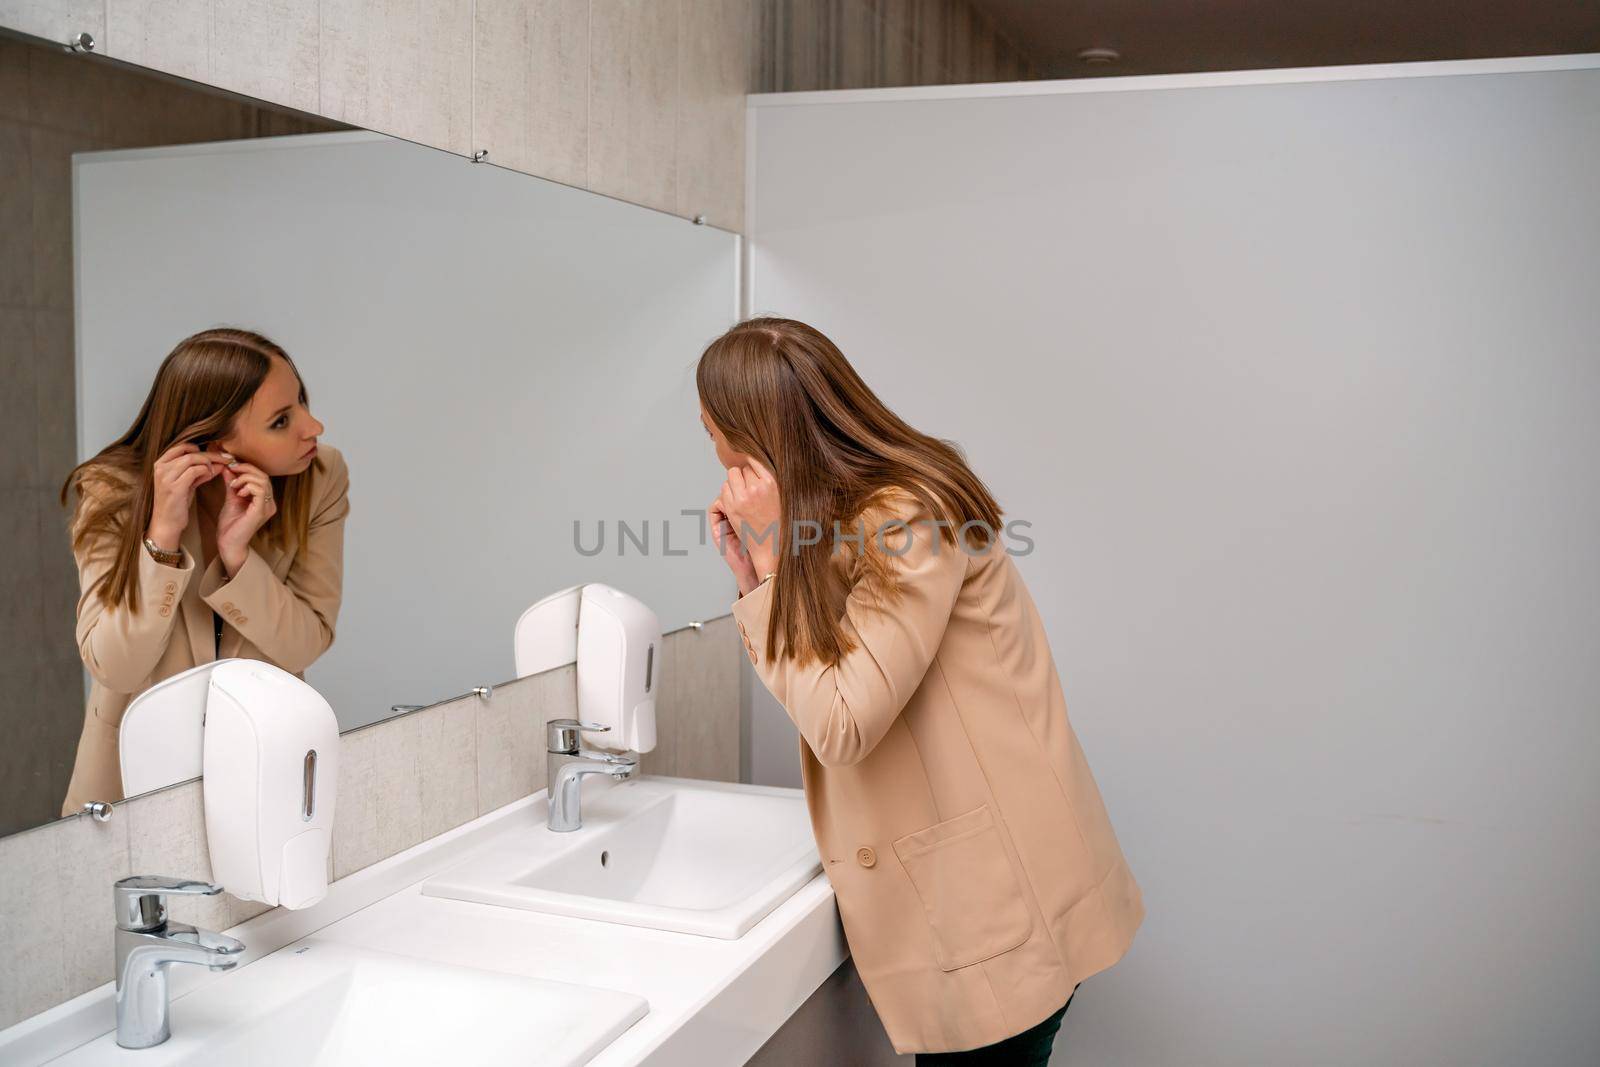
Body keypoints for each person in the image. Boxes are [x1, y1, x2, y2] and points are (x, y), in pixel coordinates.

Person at [699, 317, 1143, 1061]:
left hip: (995, 913)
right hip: (980, 900)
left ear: (754, 438)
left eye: (712, 429)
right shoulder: (849, 516)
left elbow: (842, 721)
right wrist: (761, 575)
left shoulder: (906, 515)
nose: (711, 449)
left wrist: (770, 571)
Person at [58, 328, 349, 814]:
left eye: (300, 401)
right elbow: (117, 666)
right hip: (131, 785)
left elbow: (306, 641)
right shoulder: (112, 490)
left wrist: (238, 557)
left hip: (260, 778)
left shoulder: (319, 478)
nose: (313, 425)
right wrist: (163, 539)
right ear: (213, 442)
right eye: (281, 420)